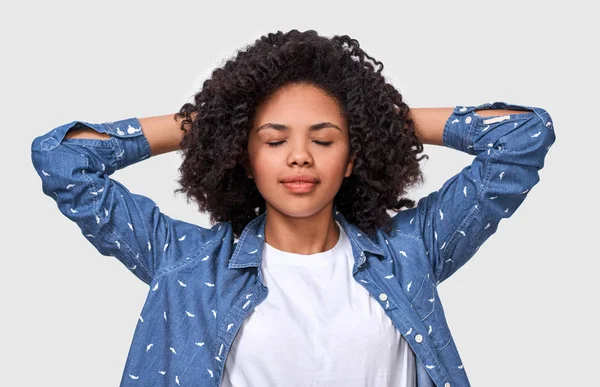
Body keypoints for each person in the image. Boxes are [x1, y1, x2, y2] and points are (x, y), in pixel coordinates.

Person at [30, 29, 555, 387]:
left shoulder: (410, 253)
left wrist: (376, 117)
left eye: (324, 140)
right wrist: (211, 122)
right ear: (245, 156)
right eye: (274, 139)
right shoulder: (183, 262)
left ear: (352, 158)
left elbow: (521, 136)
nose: (300, 155)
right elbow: (63, 158)